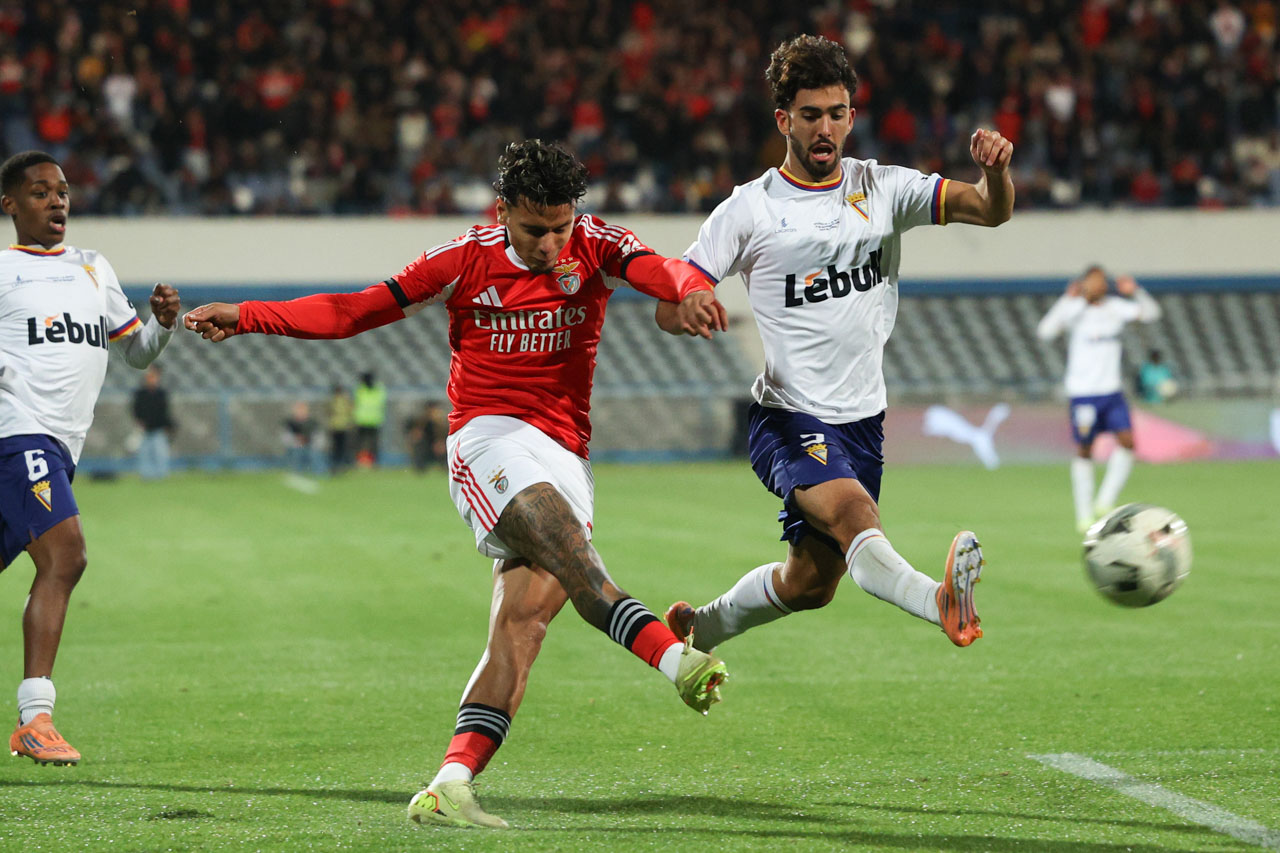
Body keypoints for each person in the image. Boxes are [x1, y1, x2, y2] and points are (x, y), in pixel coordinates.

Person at [184, 139, 730, 829]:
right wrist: (251, 313)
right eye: (535, 229)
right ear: (502, 211)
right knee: (570, 550)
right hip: (487, 439)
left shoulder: (594, 245)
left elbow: (661, 270)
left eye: (561, 226)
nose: (551, 243)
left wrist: (691, 288)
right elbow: (355, 311)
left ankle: (451, 782)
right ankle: (672, 657)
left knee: (522, 628)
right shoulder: (461, 260)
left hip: (564, 450)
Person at [657, 35, 1014, 660]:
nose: (826, 128)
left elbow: (989, 212)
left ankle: (700, 629)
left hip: (862, 419)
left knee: (811, 584)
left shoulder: (882, 189)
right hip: (790, 414)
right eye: (811, 115)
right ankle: (940, 602)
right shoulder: (751, 209)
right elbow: (671, 295)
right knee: (855, 516)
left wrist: (997, 173)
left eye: (838, 113)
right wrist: (684, 303)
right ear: (783, 120)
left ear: (852, 115)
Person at [0, 150, 179, 765]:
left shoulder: (93, 268)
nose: (57, 202)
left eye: (64, 192)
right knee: (67, 556)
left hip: (59, 445)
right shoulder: (1, 271)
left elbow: (135, 353)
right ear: (11, 205)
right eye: (41, 192)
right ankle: (35, 718)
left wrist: (162, 326)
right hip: (15, 434)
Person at [1036, 266, 1161, 531]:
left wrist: (1136, 291)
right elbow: (1045, 331)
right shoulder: (1074, 310)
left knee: (1127, 442)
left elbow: (1151, 313)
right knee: (1085, 449)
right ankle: (1083, 514)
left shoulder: (1115, 307)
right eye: (1093, 281)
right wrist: (1067, 299)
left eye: (1102, 280)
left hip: (1111, 391)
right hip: (1083, 394)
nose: (1099, 285)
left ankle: (1104, 502)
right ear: (1084, 284)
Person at [131, 364, 173, 480]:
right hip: (144, 430)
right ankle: (146, 476)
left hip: (158, 429)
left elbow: (164, 412)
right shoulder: (140, 394)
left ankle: (161, 475)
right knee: (144, 454)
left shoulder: (161, 393)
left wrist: (167, 426)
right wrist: (139, 422)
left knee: (160, 454)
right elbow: (135, 410)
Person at [352, 371, 386, 467]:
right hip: (366, 420)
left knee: (369, 444)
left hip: (369, 420)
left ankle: (369, 462)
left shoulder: (361, 389)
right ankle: (363, 461)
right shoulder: (378, 389)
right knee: (364, 444)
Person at [406, 400, 446, 472]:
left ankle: (446, 467)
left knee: (444, 446)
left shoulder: (443, 422)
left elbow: (444, 436)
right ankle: (420, 468)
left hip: (437, 446)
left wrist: (440, 442)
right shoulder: (422, 421)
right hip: (426, 446)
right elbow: (415, 435)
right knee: (420, 446)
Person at [282, 400, 320, 475]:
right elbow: (285, 438)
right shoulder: (290, 423)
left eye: (303, 410)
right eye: (299, 410)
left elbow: (318, 437)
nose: (301, 412)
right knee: (296, 453)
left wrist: (310, 442)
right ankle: (296, 472)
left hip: (310, 446)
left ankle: (319, 473)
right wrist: (296, 441)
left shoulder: (312, 423)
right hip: (295, 446)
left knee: (316, 454)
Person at [325, 383, 353, 474]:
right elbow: (350, 412)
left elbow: (329, 413)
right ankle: (340, 465)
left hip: (336, 427)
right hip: (342, 427)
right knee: (341, 447)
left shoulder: (333, 400)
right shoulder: (345, 400)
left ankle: (335, 465)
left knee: (336, 447)